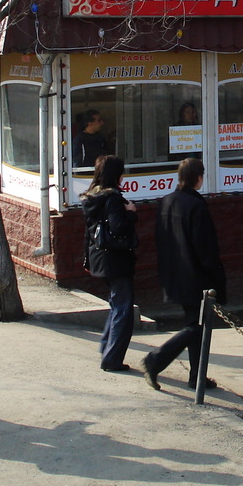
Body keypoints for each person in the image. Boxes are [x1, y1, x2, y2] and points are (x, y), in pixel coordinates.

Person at [142, 157, 226, 391]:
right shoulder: (196, 206)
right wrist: (214, 275)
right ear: (198, 177)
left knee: (195, 325)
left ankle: (197, 377)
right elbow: (205, 247)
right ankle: (155, 360)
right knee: (196, 327)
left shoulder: (166, 201)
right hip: (195, 275)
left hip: (173, 272)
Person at [82, 155, 139, 372]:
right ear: (117, 175)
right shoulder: (113, 199)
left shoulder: (91, 198)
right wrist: (131, 214)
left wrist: (87, 260)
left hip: (99, 258)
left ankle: (107, 347)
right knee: (123, 309)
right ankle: (112, 358)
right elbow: (119, 228)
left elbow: (87, 233)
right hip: (116, 260)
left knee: (117, 305)